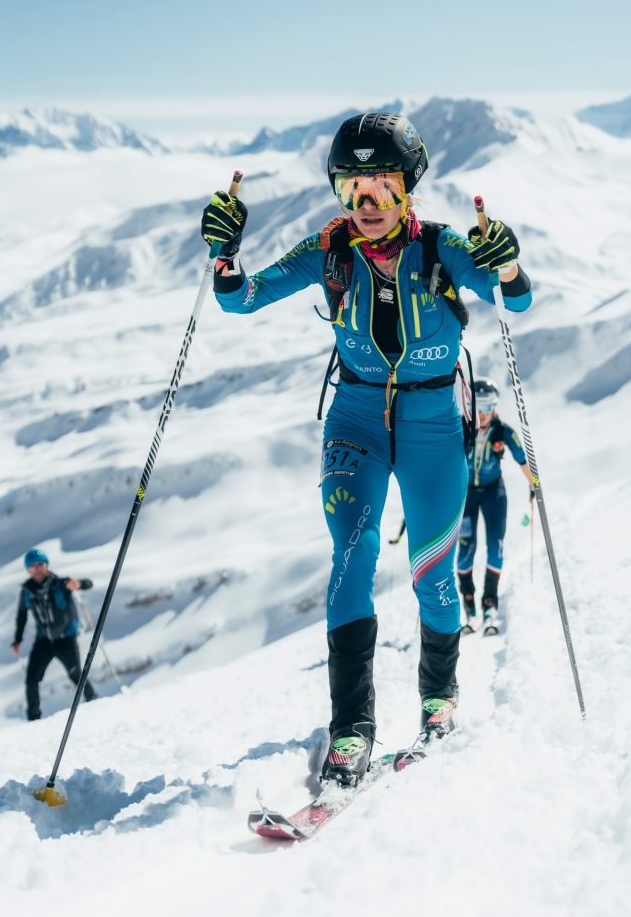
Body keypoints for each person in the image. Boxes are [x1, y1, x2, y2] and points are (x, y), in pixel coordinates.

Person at [201, 111, 532, 785]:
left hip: (434, 422)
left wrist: (509, 261)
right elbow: (240, 300)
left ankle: (439, 696)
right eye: (352, 189)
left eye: (380, 185)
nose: (367, 204)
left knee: (432, 573)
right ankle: (351, 729)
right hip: (353, 418)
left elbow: (516, 301)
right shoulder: (327, 251)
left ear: (407, 187)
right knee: (348, 561)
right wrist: (224, 255)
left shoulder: (442, 249)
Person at [456, 379, 534, 634]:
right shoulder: (461, 429)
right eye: (477, 406)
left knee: (495, 549)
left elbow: (523, 458)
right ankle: (470, 609)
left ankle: (490, 605)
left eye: (488, 406)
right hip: (466, 495)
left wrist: (535, 484)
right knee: (466, 552)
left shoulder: (503, 431)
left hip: (493, 493)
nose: (482, 413)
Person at [11, 548, 98, 721]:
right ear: (28, 569)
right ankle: (33, 719)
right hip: (43, 641)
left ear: (47, 565)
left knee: (76, 675)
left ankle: (94, 701)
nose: (38, 568)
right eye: (33, 566)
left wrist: (79, 584)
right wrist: (18, 639)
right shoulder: (27, 591)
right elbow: (22, 615)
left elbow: (88, 583)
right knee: (31, 679)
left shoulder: (61, 583)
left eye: (41, 564)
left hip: (66, 639)